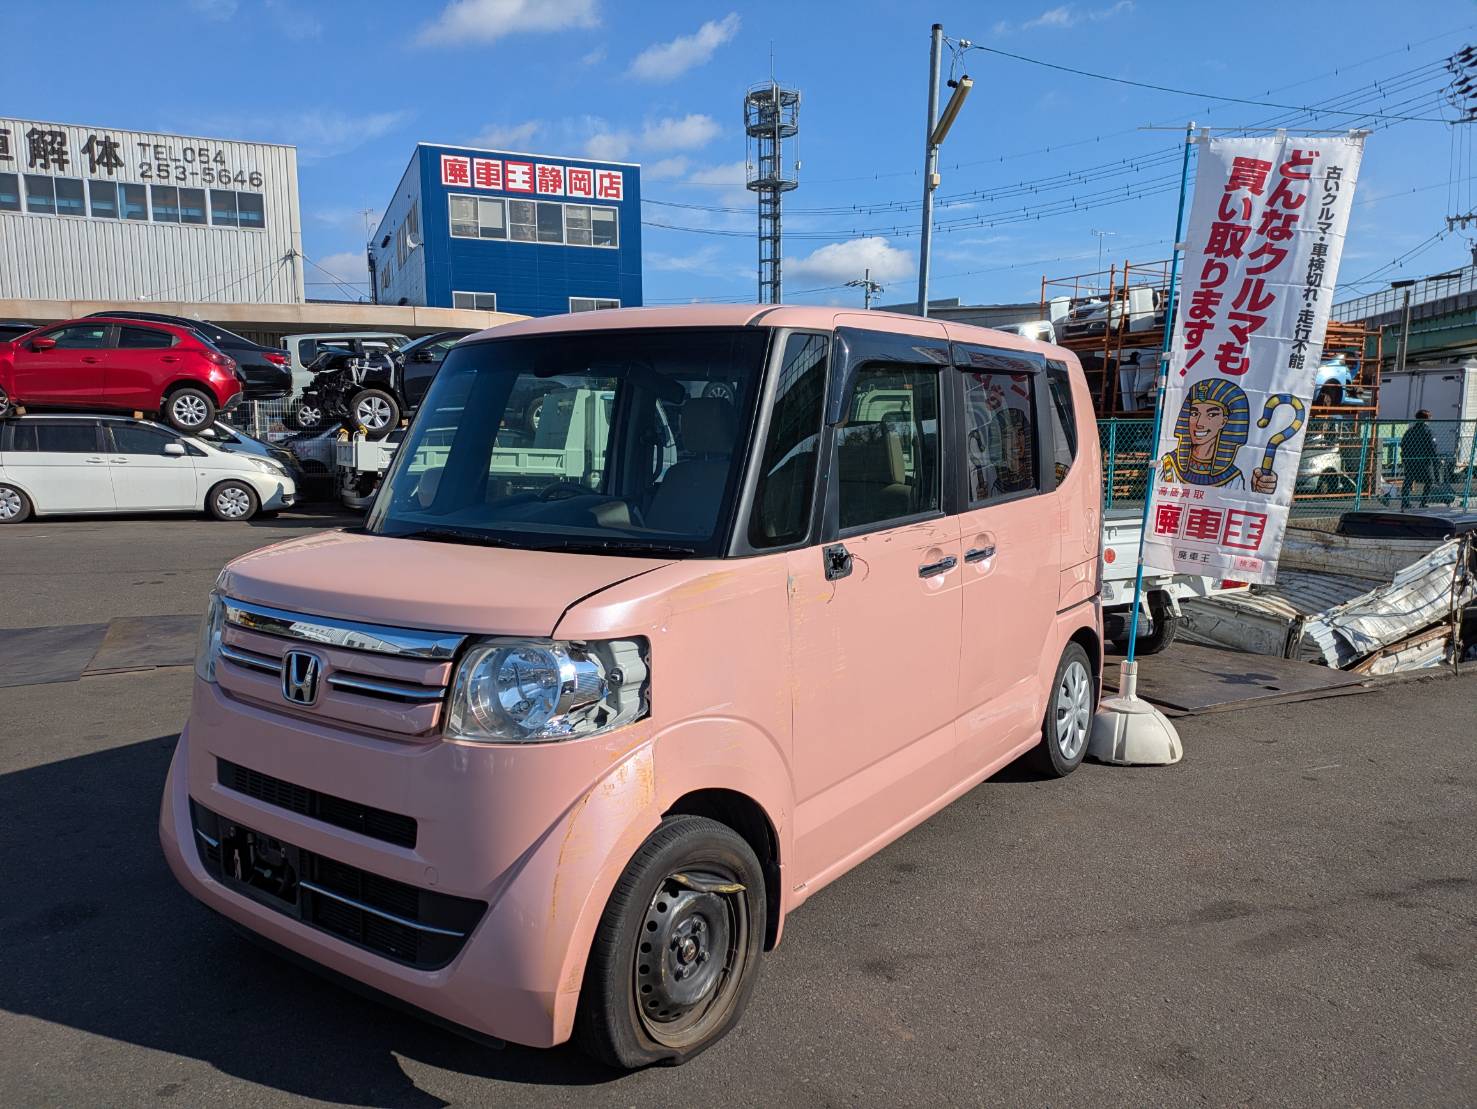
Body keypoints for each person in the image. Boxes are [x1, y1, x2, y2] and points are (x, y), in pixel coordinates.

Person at [1400, 410, 1438, 509]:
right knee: (1429, 480)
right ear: (1427, 419)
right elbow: (1432, 447)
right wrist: (1436, 460)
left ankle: (1405, 502)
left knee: (1408, 480)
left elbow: (1403, 444)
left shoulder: (1410, 431)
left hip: (1410, 460)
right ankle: (1423, 502)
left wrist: (1405, 457)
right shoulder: (1428, 432)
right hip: (1424, 462)